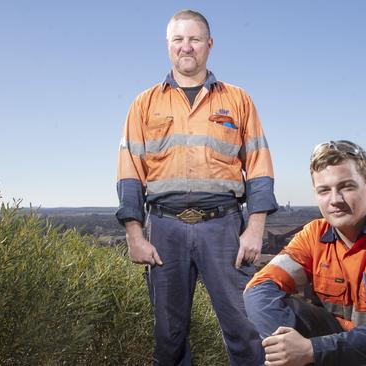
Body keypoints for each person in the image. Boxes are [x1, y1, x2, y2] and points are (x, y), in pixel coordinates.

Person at [116, 9, 277, 366]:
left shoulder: (238, 100)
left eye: (194, 39)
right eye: (178, 39)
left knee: (244, 327)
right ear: (168, 45)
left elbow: (260, 167)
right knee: (168, 335)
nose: (186, 47)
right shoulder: (144, 104)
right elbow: (129, 173)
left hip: (224, 228)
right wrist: (134, 233)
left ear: (209, 45)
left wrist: (255, 229)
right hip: (164, 230)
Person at [244, 140, 366, 366]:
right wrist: (290, 351)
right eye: (324, 190)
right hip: (339, 352)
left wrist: (312, 350)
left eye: (346, 187)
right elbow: (258, 289)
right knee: (271, 300)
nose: (335, 200)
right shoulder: (314, 235)